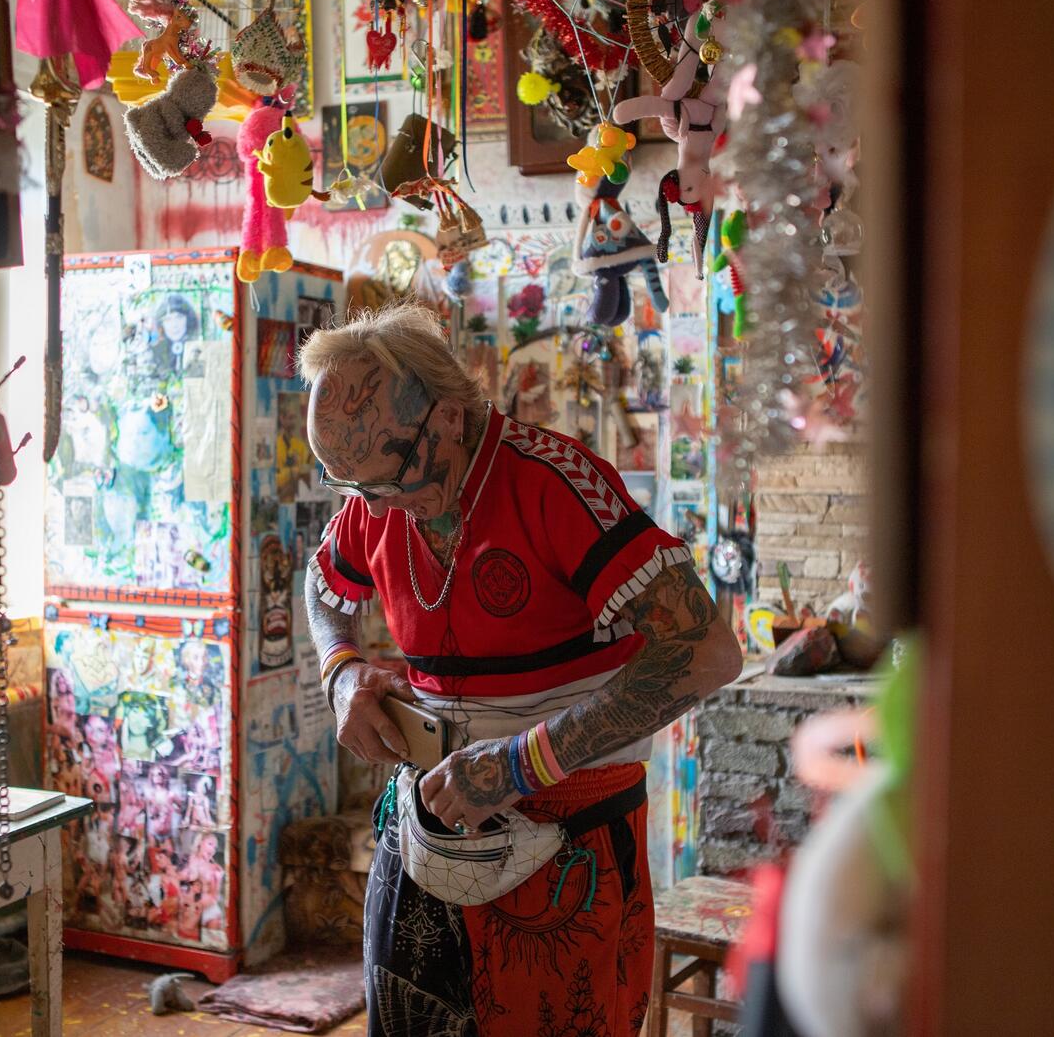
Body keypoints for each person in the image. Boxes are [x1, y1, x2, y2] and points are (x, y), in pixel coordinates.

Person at [298, 304, 742, 1036]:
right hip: (425, 823)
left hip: (567, 840)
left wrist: (520, 763)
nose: (377, 506)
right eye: (355, 489)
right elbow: (322, 584)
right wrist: (341, 673)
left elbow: (706, 652)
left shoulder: (555, 483)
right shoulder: (377, 494)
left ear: (446, 418)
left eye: (387, 481)